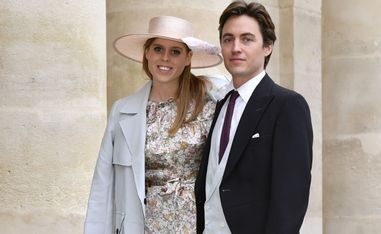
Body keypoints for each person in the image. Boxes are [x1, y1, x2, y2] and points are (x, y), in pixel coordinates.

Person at [84, 15, 226, 234]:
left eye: (175, 51)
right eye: (158, 49)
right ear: (147, 53)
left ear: (188, 57)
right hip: (141, 224)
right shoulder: (122, 111)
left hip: (198, 223)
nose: (165, 58)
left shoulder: (209, 103)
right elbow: (103, 184)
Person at [195, 1, 313, 233]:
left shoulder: (288, 105)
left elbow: (291, 198)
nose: (235, 47)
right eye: (228, 39)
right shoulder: (219, 104)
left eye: (247, 39)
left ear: (267, 46)